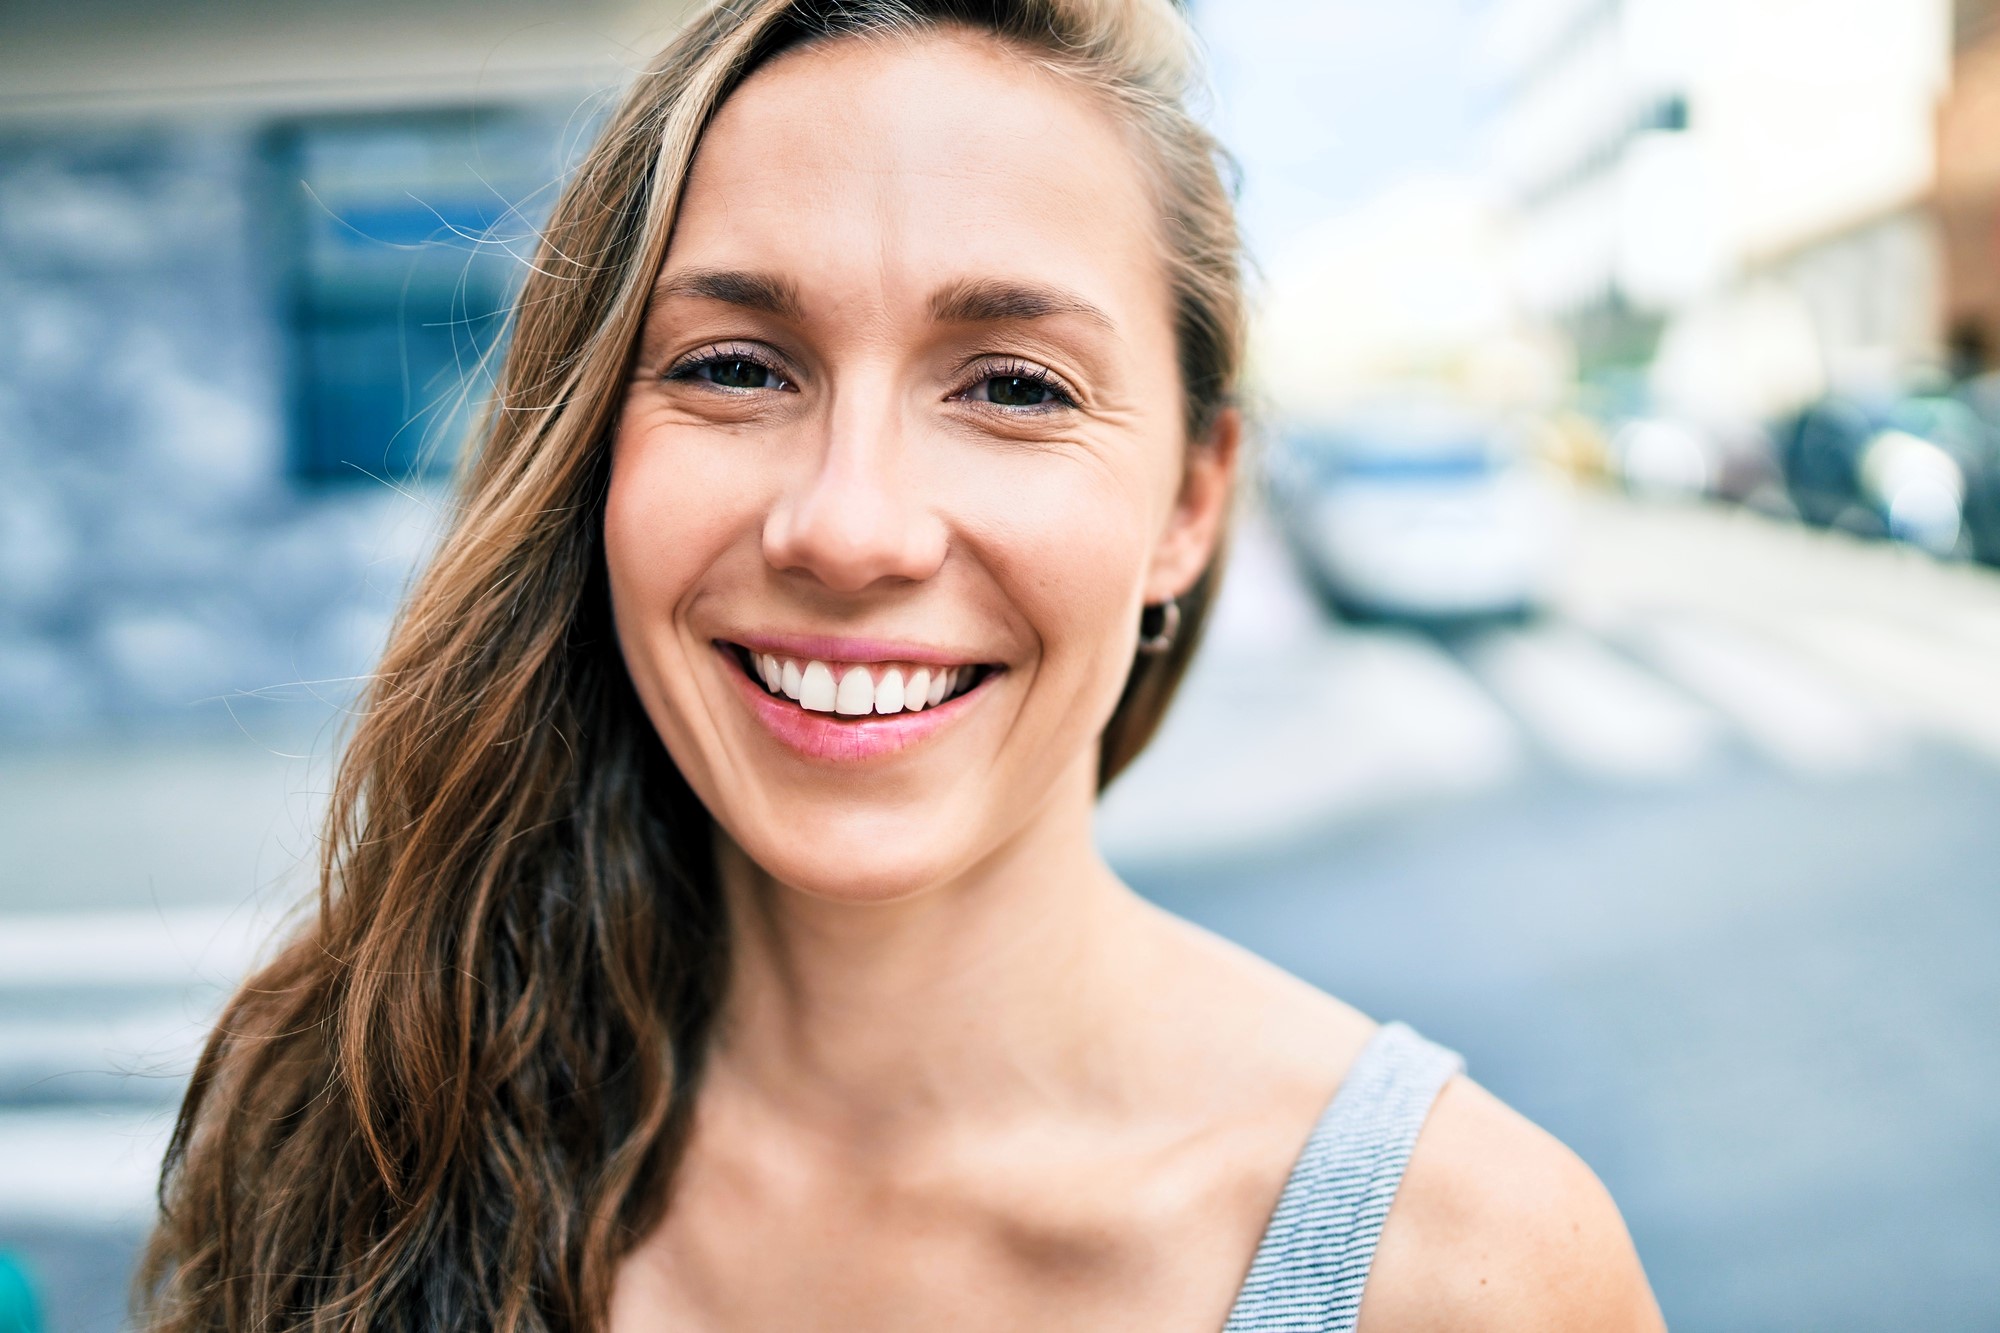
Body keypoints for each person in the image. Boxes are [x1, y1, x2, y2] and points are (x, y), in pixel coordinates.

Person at [140, 1, 1664, 1329]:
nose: (848, 527)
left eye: (1012, 386)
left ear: (1190, 505)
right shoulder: (349, 1122)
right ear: (596, 446)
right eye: (736, 366)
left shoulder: (1466, 1268)